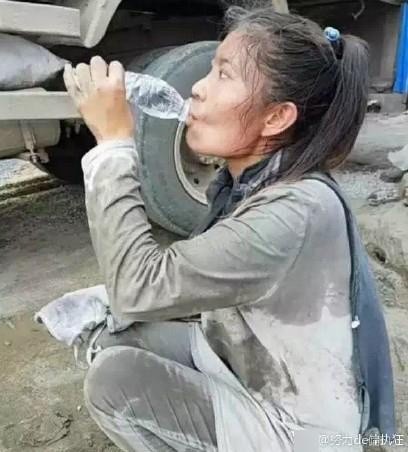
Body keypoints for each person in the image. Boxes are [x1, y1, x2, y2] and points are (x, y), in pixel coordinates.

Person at [63, 6, 395, 452]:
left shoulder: (293, 212)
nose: (197, 88)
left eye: (223, 75)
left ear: (276, 118)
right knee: (111, 335)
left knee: (114, 380)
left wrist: (113, 147)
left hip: (299, 423)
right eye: (210, 70)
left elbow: (137, 288)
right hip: (245, 362)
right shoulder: (253, 181)